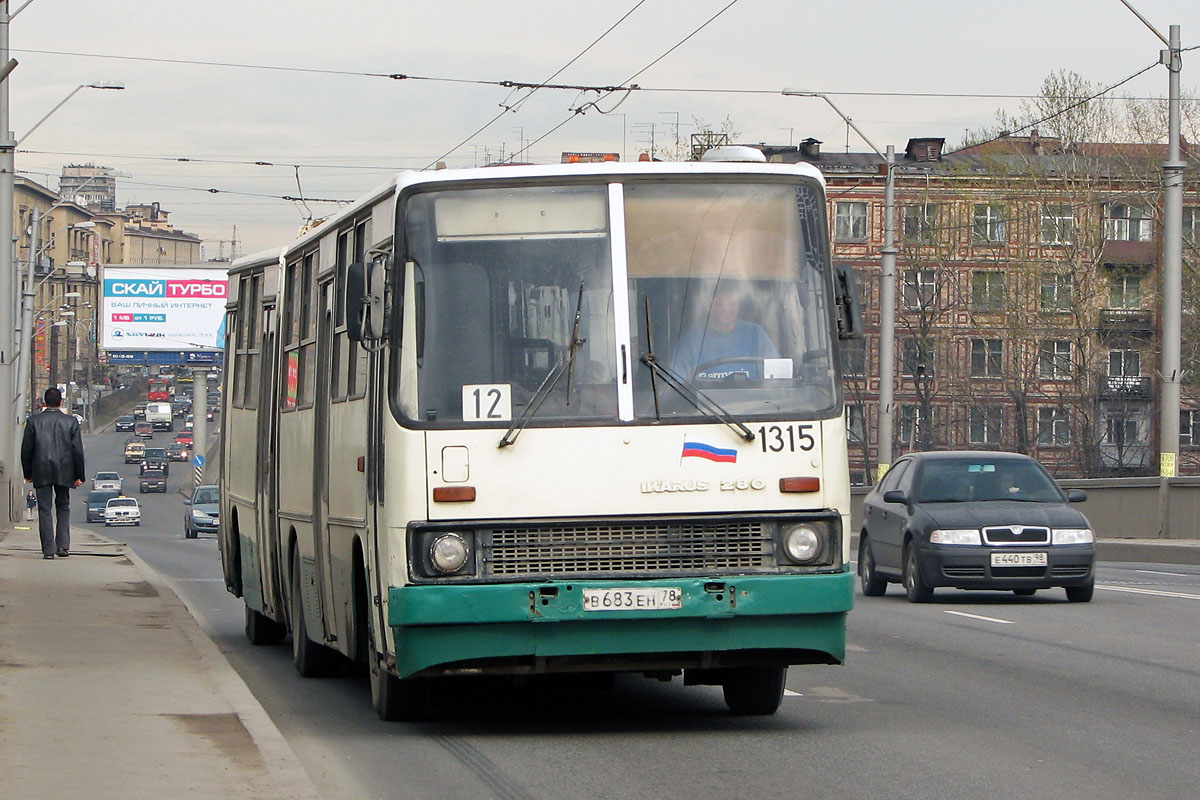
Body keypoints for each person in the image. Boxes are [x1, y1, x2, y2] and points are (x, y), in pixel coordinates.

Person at [21, 387, 85, 559]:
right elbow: (77, 451)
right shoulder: (71, 422)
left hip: (41, 469)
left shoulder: (34, 421)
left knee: (44, 509)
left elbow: (26, 450)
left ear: (44, 402)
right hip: (65, 470)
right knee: (63, 507)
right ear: (61, 403)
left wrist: (28, 472)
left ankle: (48, 550)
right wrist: (79, 476)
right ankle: (63, 546)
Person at [669, 282, 780, 380]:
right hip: (703, 402)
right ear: (708, 306)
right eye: (719, 304)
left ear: (739, 305)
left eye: (732, 303)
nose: (726, 309)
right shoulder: (690, 340)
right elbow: (676, 383)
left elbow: (778, 376)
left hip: (753, 401)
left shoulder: (755, 334)